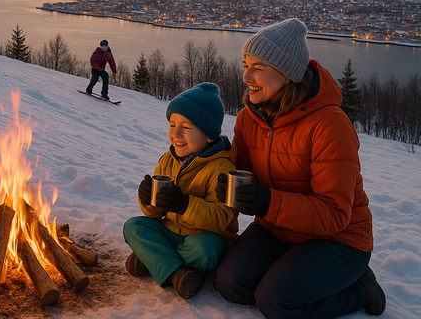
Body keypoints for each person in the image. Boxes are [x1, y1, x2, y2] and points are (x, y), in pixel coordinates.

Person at [214, 18, 386, 317]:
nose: (246, 76)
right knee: (231, 285)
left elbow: (334, 213)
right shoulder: (248, 119)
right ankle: (299, 270)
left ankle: (360, 290)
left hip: (338, 238)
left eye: (258, 67)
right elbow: (242, 175)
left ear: (288, 74)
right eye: (245, 65)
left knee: (276, 301)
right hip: (277, 229)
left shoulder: (329, 124)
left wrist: (267, 202)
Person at [123, 83, 238, 299]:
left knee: (206, 251)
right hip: (171, 231)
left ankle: (156, 260)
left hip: (204, 238)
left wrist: (183, 204)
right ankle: (176, 271)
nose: (175, 134)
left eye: (186, 127)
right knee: (133, 226)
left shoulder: (222, 168)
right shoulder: (168, 160)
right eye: (172, 125)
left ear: (208, 135)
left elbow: (221, 219)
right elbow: (155, 214)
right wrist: (148, 199)